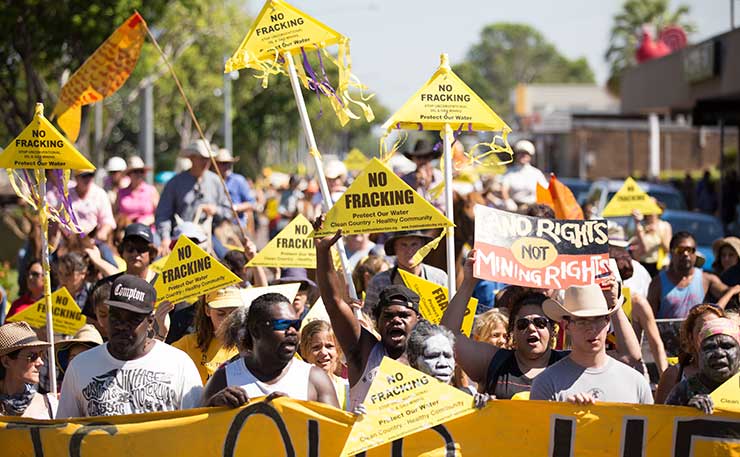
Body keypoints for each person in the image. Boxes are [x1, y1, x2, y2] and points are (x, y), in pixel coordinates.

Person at [57, 275, 203, 417]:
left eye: (132, 320)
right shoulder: (80, 367)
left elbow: (196, 428)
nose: (121, 326)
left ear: (150, 321)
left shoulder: (178, 364)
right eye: (115, 317)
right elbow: (63, 433)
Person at [314, 218, 421, 410]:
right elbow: (334, 302)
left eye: (404, 316)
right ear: (377, 321)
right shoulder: (364, 351)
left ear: (418, 320)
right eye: (388, 316)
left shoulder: (429, 357)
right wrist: (323, 252)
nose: (396, 320)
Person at [202, 293, 338, 408]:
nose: (292, 331)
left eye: (296, 325)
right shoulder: (224, 379)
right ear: (256, 330)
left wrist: (297, 411)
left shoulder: (315, 379)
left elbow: (337, 435)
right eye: (282, 324)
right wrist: (213, 407)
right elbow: (197, 433)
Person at [530, 284, 653, 405]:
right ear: (566, 326)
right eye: (582, 321)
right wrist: (563, 414)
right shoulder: (546, 383)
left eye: (598, 319)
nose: (592, 329)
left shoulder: (637, 383)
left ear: (607, 322)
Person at [155, 139, 231, 256]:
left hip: (208, 236)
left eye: (207, 158)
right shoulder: (175, 183)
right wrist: (165, 238)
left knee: (228, 262)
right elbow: (163, 214)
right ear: (191, 158)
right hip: (181, 237)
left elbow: (228, 210)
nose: (205, 162)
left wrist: (215, 210)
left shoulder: (216, 181)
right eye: (201, 158)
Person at [610, 242, 668, 374]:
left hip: (633, 372)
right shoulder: (594, 302)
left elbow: (656, 344)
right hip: (605, 371)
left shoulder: (637, 302)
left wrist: (666, 379)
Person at [647, 232, 729, 319]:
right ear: (671, 253)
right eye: (680, 250)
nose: (686, 254)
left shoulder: (707, 280)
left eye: (690, 250)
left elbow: (727, 292)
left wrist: (735, 289)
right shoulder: (657, 283)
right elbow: (649, 319)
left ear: (695, 253)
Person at [666, 318, 740, 414]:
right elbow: (666, 424)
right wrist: (687, 411)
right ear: (699, 354)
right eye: (709, 347)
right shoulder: (684, 390)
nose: (718, 353)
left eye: (727, 346)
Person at [654, 303, 725, 403]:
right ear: (690, 337)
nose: (709, 336)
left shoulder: (736, 376)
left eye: (715, 329)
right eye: (703, 330)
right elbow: (659, 416)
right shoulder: (673, 375)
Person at [364, 230, 447, 313]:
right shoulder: (378, 282)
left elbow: (451, 314)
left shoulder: (439, 278)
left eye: (414, 244)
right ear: (395, 248)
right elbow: (370, 318)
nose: (409, 251)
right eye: (403, 245)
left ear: (423, 247)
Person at [172, 288, 241, 384]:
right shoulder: (187, 344)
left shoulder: (249, 344)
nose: (227, 319)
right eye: (221, 314)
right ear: (207, 311)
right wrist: (162, 333)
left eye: (233, 313)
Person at [0, 322, 56, 418]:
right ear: (6, 362)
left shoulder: (49, 405)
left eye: (41, 354)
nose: (40, 362)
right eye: (32, 356)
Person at [299, 320, 349, 409]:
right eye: (316, 347)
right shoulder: (296, 386)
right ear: (304, 351)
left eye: (329, 346)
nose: (323, 352)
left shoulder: (347, 386)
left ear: (338, 350)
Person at [500, 140, 548, 208]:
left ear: (530, 156)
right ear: (516, 155)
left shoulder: (536, 173)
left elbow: (546, 190)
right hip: (515, 208)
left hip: (533, 208)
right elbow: (504, 189)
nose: (523, 156)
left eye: (526, 154)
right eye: (520, 153)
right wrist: (507, 200)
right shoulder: (509, 173)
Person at [401, 139, 444, 212]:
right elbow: (406, 207)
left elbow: (443, 205)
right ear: (414, 159)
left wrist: (427, 185)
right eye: (419, 157)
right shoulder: (405, 180)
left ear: (431, 158)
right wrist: (416, 186)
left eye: (425, 157)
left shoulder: (440, 177)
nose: (422, 161)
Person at [115, 156, 159, 227]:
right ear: (129, 174)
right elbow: (115, 212)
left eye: (141, 171)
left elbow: (160, 213)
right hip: (126, 231)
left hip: (147, 229)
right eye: (135, 171)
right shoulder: (121, 192)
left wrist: (150, 219)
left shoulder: (151, 190)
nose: (139, 174)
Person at [215, 148, 255, 227]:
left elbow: (251, 203)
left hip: (236, 224)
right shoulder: (212, 180)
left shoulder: (239, 180)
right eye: (222, 163)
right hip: (217, 225)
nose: (225, 166)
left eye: (227, 163)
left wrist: (236, 207)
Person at [631, 207, 671, 277]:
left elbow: (667, 249)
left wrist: (657, 232)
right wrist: (641, 229)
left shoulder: (664, 225)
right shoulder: (640, 226)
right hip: (643, 264)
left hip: (660, 265)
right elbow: (641, 249)